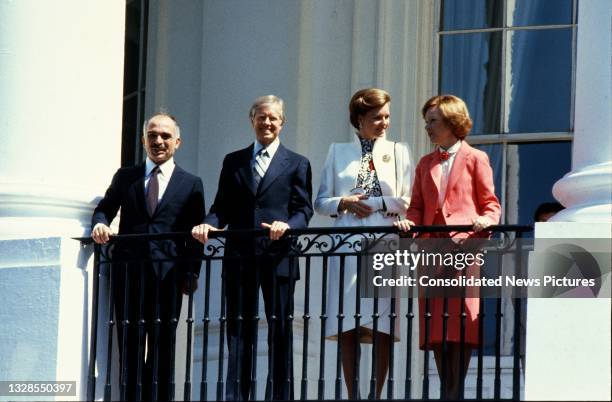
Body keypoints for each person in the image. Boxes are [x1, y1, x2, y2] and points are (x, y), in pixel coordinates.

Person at [191, 95, 313, 401]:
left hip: (279, 255)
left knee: (280, 330)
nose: (267, 123)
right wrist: (208, 223)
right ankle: (237, 396)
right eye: (261, 117)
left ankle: (281, 396)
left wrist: (288, 226)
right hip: (240, 256)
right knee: (238, 330)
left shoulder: (297, 163)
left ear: (282, 123)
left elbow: (303, 210)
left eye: (273, 118)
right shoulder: (234, 161)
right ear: (252, 121)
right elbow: (222, 208)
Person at [91, 112, 205, 401]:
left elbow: (195, 233)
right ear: (143, 140)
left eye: (165, 136)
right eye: (152, 135)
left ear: (177, 142)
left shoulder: (191, 183)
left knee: (163, 347)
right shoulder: (126, 176)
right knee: (128, 345)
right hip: (128, 274)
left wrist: (192, 274)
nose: (158, 141)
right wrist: (100, 223)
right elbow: (105, 208)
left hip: (169, 276)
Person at [394, 95, 501, 399]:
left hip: (463, 253)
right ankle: (447, 391)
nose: (427, 127)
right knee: (436, 332)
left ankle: (453, 393)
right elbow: (416, 209)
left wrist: (484, 221)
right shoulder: (425, 163)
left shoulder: (475, 158)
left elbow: (491, 205)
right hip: (430, 256)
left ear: (452, 122)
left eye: (433, 121)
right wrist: (408, 225)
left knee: (460, 328)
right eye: (426, 121)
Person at [314, 88, 413, 398]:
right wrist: (343, 202)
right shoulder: (336, 151)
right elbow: (320, 202)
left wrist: (378, 202)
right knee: (347, 323)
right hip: (346, 246)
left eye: (386, 117)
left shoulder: (399, 151)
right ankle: (353, 393)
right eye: (376, 118)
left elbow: (408, 200)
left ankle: (375, 394)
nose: (383, 123)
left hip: (382, 243)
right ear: (359, 119)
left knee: (382, 323)